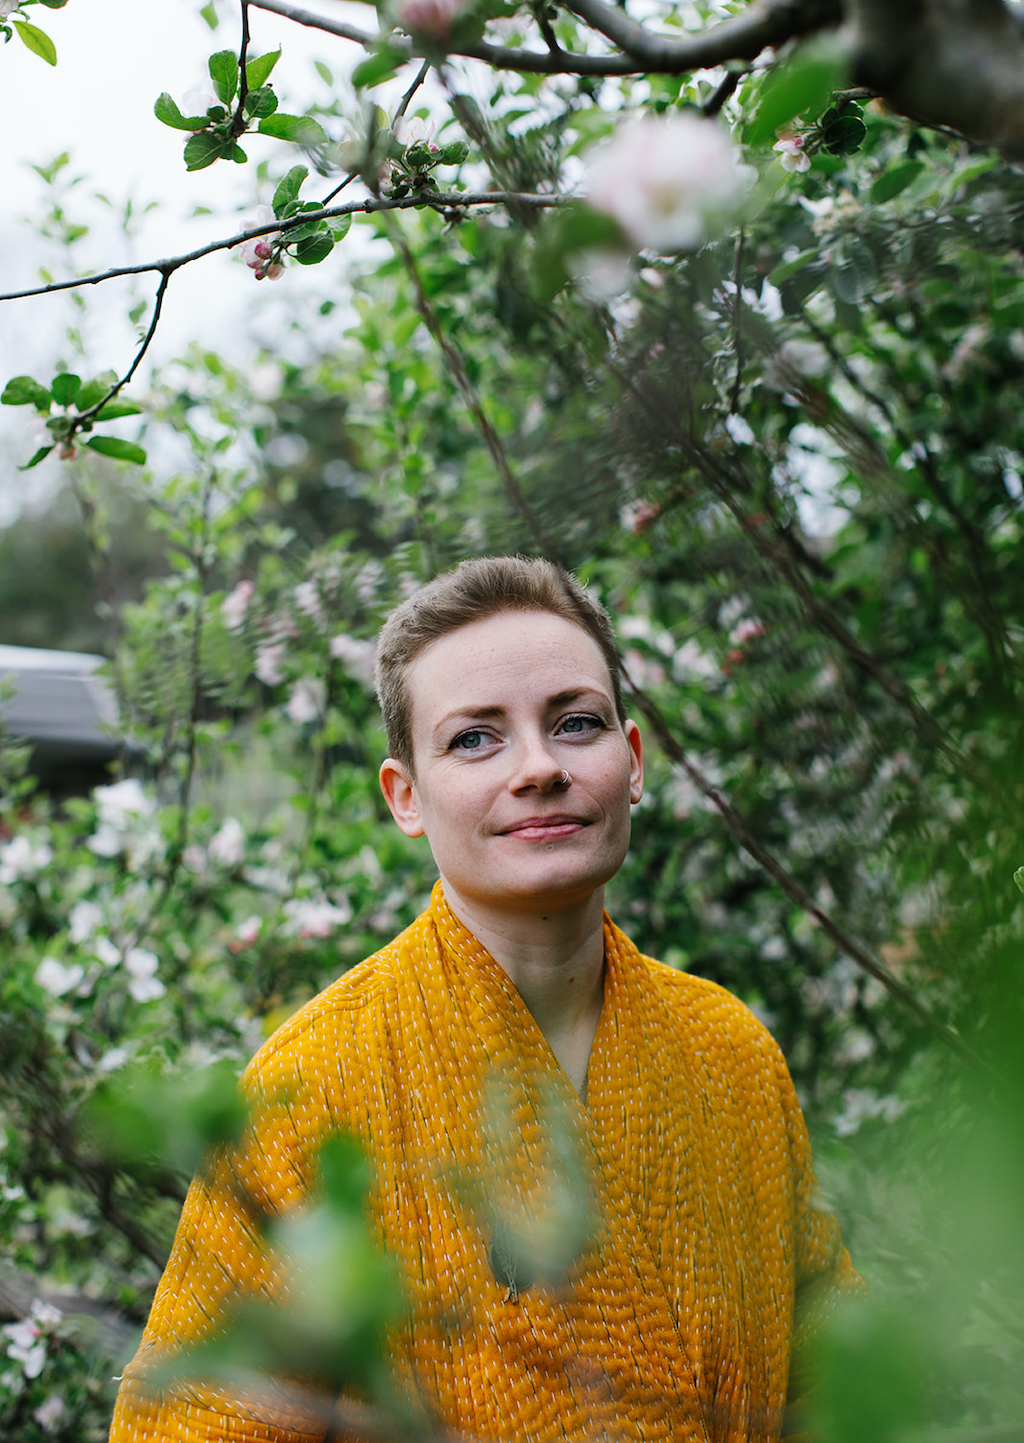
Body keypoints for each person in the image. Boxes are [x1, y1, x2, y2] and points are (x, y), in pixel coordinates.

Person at [108, 556, 859, 1443]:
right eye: (475, 738)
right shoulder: (313, 1084)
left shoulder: (730, 1052)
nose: (539, 767)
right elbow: (196, 1422)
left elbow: (836, 1388)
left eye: (576, 723)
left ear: (633, 759)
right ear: (406, 797)